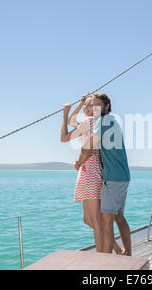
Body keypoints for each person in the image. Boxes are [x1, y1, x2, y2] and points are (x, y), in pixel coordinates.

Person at [60, 94, 124, 254]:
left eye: (90, 105)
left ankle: (101, 259)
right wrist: (79, 103)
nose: (85, 108)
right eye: (85, 105)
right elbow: (73, 123)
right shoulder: (92, 122)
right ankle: (116, 248)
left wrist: (65, 112)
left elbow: (64, 136)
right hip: (92, 171)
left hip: (90, 171)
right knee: (88, 219)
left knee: (95, 221)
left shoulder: (89, 122)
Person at [90, 92, 132, 256]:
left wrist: (79, 162)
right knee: (119, 217)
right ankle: (128, 256)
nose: (94, 108)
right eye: (92, 105)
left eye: (97, 104)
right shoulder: (111, 121)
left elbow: (90, 144)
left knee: (106, 221)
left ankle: (106, 265)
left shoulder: (102, 120)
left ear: (106, 107)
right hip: (123, 176)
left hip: (113, 178)